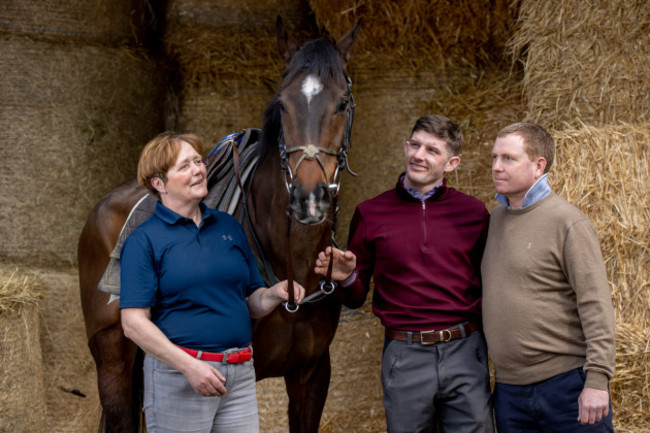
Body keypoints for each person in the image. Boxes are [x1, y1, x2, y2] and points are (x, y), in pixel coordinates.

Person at [315, 115, 494, 433]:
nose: (418, 155)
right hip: (405, 354)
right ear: (405, 146)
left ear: (452, 163)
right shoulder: (371, 214)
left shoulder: (474, 213)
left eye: (431, 150)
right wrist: (344, 278)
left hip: (465, 350)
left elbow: (492, 283)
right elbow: (356, 297)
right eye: (415, 144)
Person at [119, 132, 304, 433]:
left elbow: (250, 303)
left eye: (198, 161)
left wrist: (273, 293)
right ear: (159, 183)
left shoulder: (227, 226)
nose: (198, 170)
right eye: (184, 166)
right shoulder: (145, 240)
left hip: (239, 374)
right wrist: (190, 367)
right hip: (179, 377)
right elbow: (133, 323)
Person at [482, 122, 616, 432]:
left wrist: (597, 380)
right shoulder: (496, 219)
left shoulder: (566, 222)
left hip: (566, 387)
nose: (496, 167)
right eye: (494, 157)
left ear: (538, 165)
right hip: (509, 392)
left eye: (508, 159)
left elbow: (595, 304)